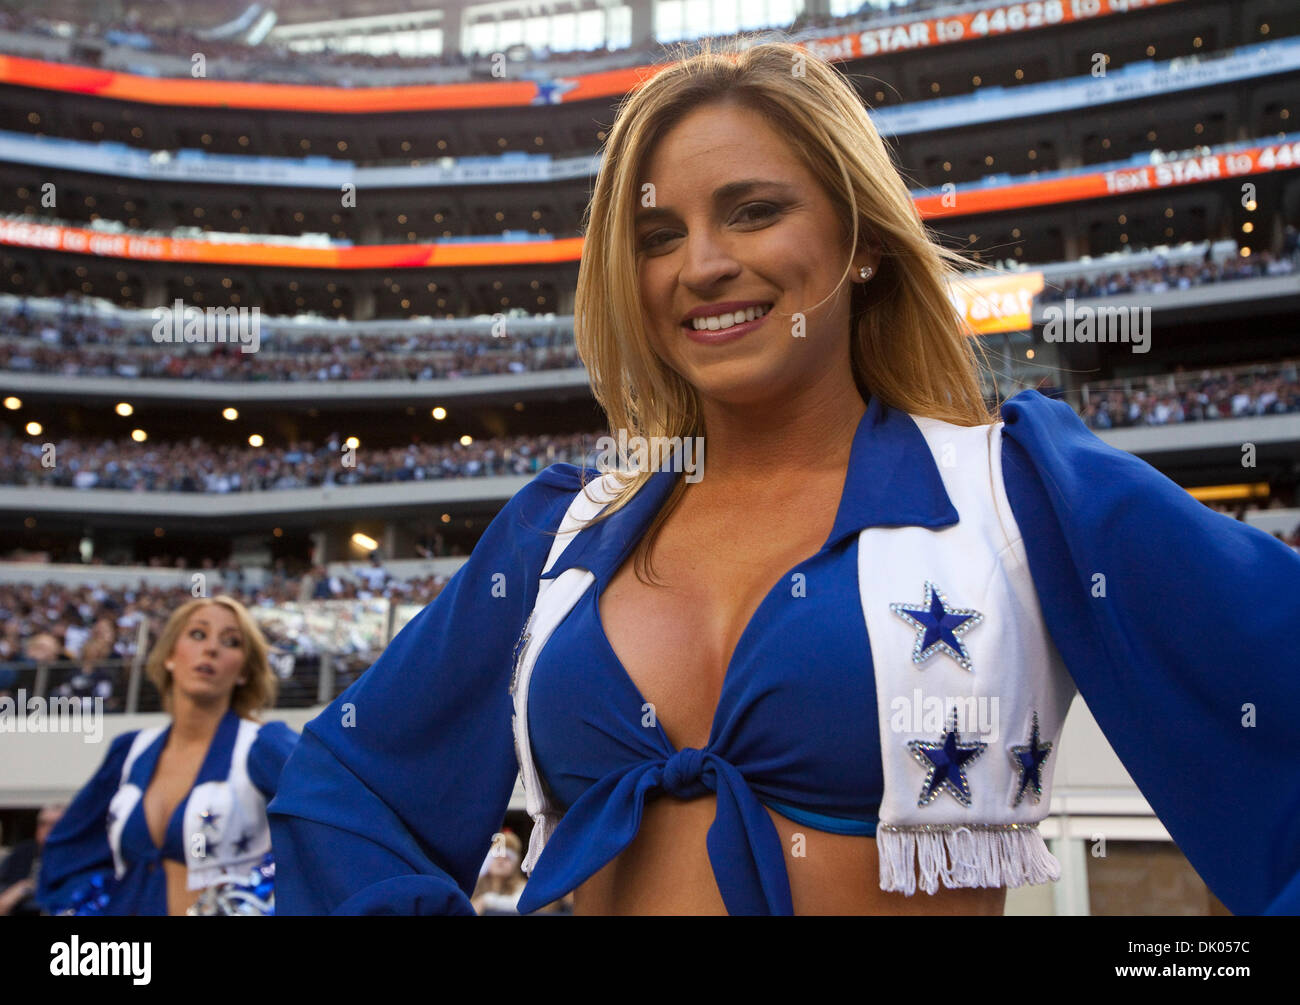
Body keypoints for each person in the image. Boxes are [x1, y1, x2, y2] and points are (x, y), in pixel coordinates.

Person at [268, 39, 1300, 916]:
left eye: (753, 212)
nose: (701, 264)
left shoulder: (1020, 493)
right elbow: (344, 786)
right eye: (657, 235)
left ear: (857, 240)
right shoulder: (558, 536)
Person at [36, 596, 298, 915]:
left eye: (231, 641)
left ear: (243, 671)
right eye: (198, 634)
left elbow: (330, 829)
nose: (211, 649)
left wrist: (258, 899)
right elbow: (67, 854)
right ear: (170, 656)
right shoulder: (129, 751)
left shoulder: (264, 745)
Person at [0, 805, 64, 917]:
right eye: (43, 824)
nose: (47, 830)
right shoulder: (22, 854)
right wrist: (23, 888)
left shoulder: (77, 857)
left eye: (54, 824)